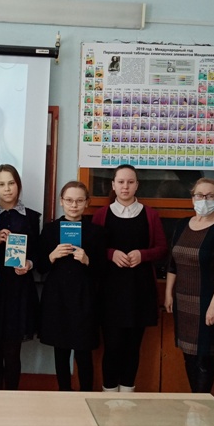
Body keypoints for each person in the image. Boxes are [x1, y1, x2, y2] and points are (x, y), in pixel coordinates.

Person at [92, 165, 167, 392]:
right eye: (121, 182)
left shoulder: (150, 215)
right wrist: (111, 253)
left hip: (139, 290)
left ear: (137, 185)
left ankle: (127, 396)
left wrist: (142, 255)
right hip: (110, 291)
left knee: (133, 347)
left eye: (130, 182)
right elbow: (93, 249)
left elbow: (162, 248)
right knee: (112, 346)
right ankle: (108, 396)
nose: (125, 186)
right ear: (113, 185)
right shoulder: (101, 214)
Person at [164, 178, 214, 394]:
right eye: (199, 195)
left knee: (204, 357)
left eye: (210, 196)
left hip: (207, 301)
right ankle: (194, 400)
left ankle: (202, 402)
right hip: (182, 300)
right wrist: (168, 294)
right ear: (192, 198)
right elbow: (172, 264)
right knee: (188, 355)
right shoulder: (181, 225)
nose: (204, 200)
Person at [37, 181, 106, 392]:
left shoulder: (96, 232)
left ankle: (86, 395)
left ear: (87, 203)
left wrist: (87, 260)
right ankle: (64, 394)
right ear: (61, 201)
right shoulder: (50, 230)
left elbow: (104, 271)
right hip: (57, 297)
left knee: (84, 351)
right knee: (61, 350)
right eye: (69, 200)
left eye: (79, 200)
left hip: (84, 297)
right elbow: (40, 267)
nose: (74, 205)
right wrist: (52, 256)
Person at [0, 164, 40, 390]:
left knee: (12, 349)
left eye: (11, 183)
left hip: (20, 289)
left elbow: (38, 253)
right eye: (1, 184)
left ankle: (12, 396)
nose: (7, 189)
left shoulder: (31, 217)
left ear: (18, 185)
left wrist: (29, 264)